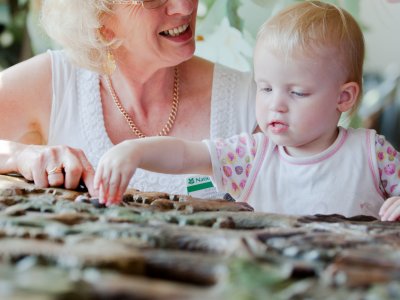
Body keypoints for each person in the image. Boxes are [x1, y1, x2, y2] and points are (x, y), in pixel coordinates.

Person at [93, 0, 400, 222]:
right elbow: (186, 155)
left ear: (344, 98)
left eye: (297, 92)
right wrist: (134, 152)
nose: (275, 104)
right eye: (265, 88)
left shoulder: (372, 154)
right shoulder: (252, 156)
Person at [0, 0, 257, 196]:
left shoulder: (253, 101)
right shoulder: (56, 82)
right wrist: (21, 156)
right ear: (98, 16)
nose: (186, 5)